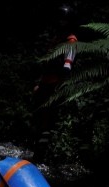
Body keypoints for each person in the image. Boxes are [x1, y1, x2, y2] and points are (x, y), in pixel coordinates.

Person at [31, 4, 78, 162]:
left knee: (48, 119)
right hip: (46, 82)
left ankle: (44, 155)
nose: (60, 23)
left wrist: (59, 85)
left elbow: (67, 65)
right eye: (60, 20)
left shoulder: (71, 41)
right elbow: (47, 62)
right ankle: (37, 152)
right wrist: (40, 82)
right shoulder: (57, 39)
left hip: (55, 84)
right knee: (40, 117)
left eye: (63, 20)